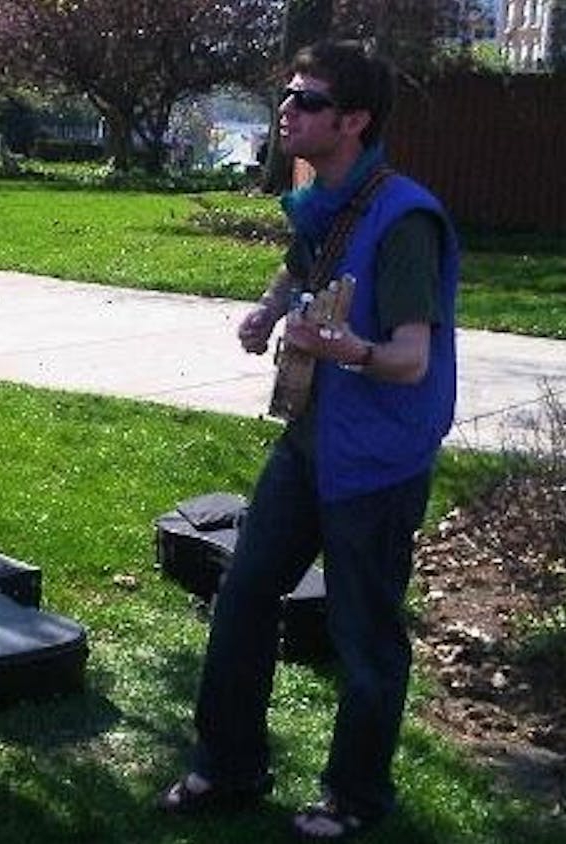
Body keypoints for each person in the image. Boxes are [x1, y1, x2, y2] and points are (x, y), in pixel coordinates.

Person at [155, 41, 459, 841]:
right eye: (286, 95)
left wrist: (345, 350)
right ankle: (230, 767)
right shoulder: (327, 198)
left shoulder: (403, 220)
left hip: (379, 460)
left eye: (306, 99)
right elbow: (296, 270)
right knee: (244, 596)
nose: (285, 109)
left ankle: (355, 798)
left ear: (353, 120)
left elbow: (411, 358)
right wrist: (266, 310)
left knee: (365, 639)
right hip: (309, 443)